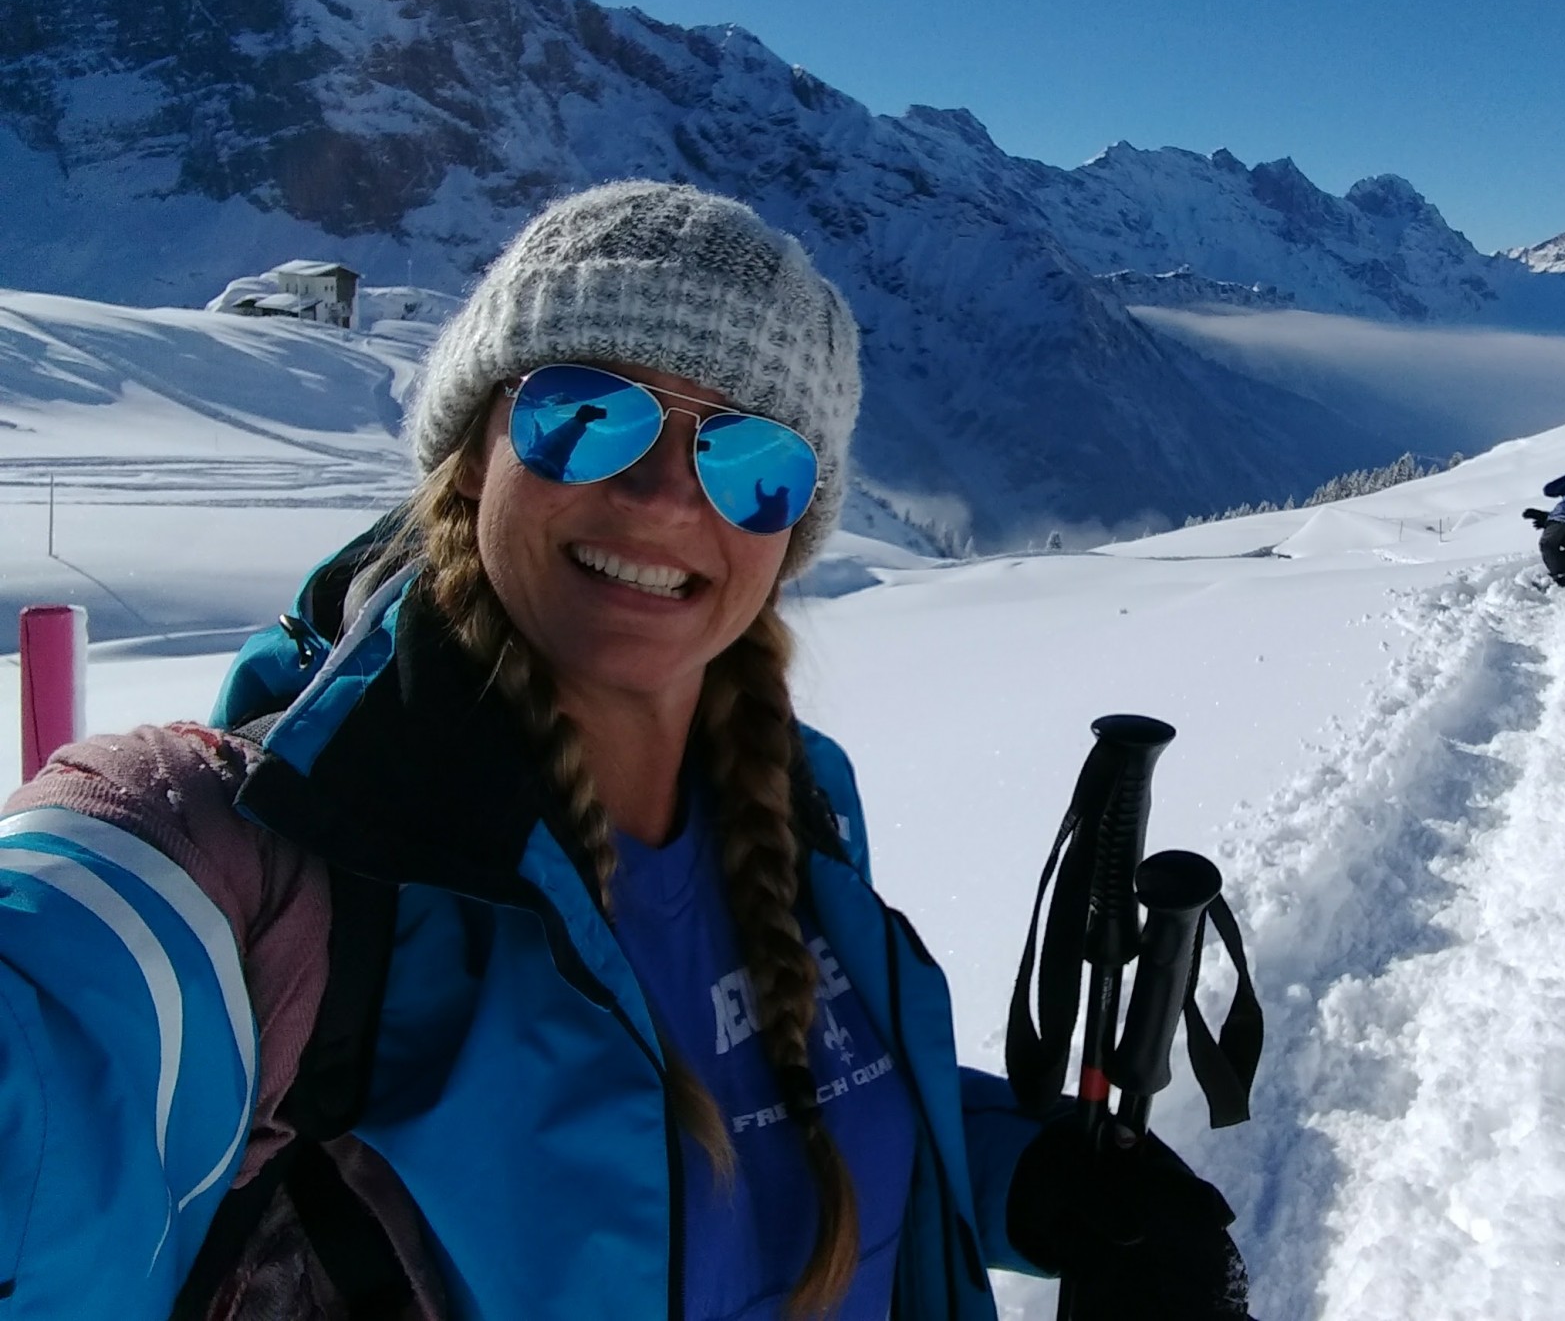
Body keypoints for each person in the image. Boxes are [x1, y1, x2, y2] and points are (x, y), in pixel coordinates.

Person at [0, 182, 1248, 1319]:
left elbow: (774, 1113)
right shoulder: (261, 859)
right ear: (472, 454)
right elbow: (56, 1047)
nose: (663, 496)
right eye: (585, 415)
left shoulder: (795, 796)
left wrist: (1027, 1178)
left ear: (790, 533)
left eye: (750, 458)